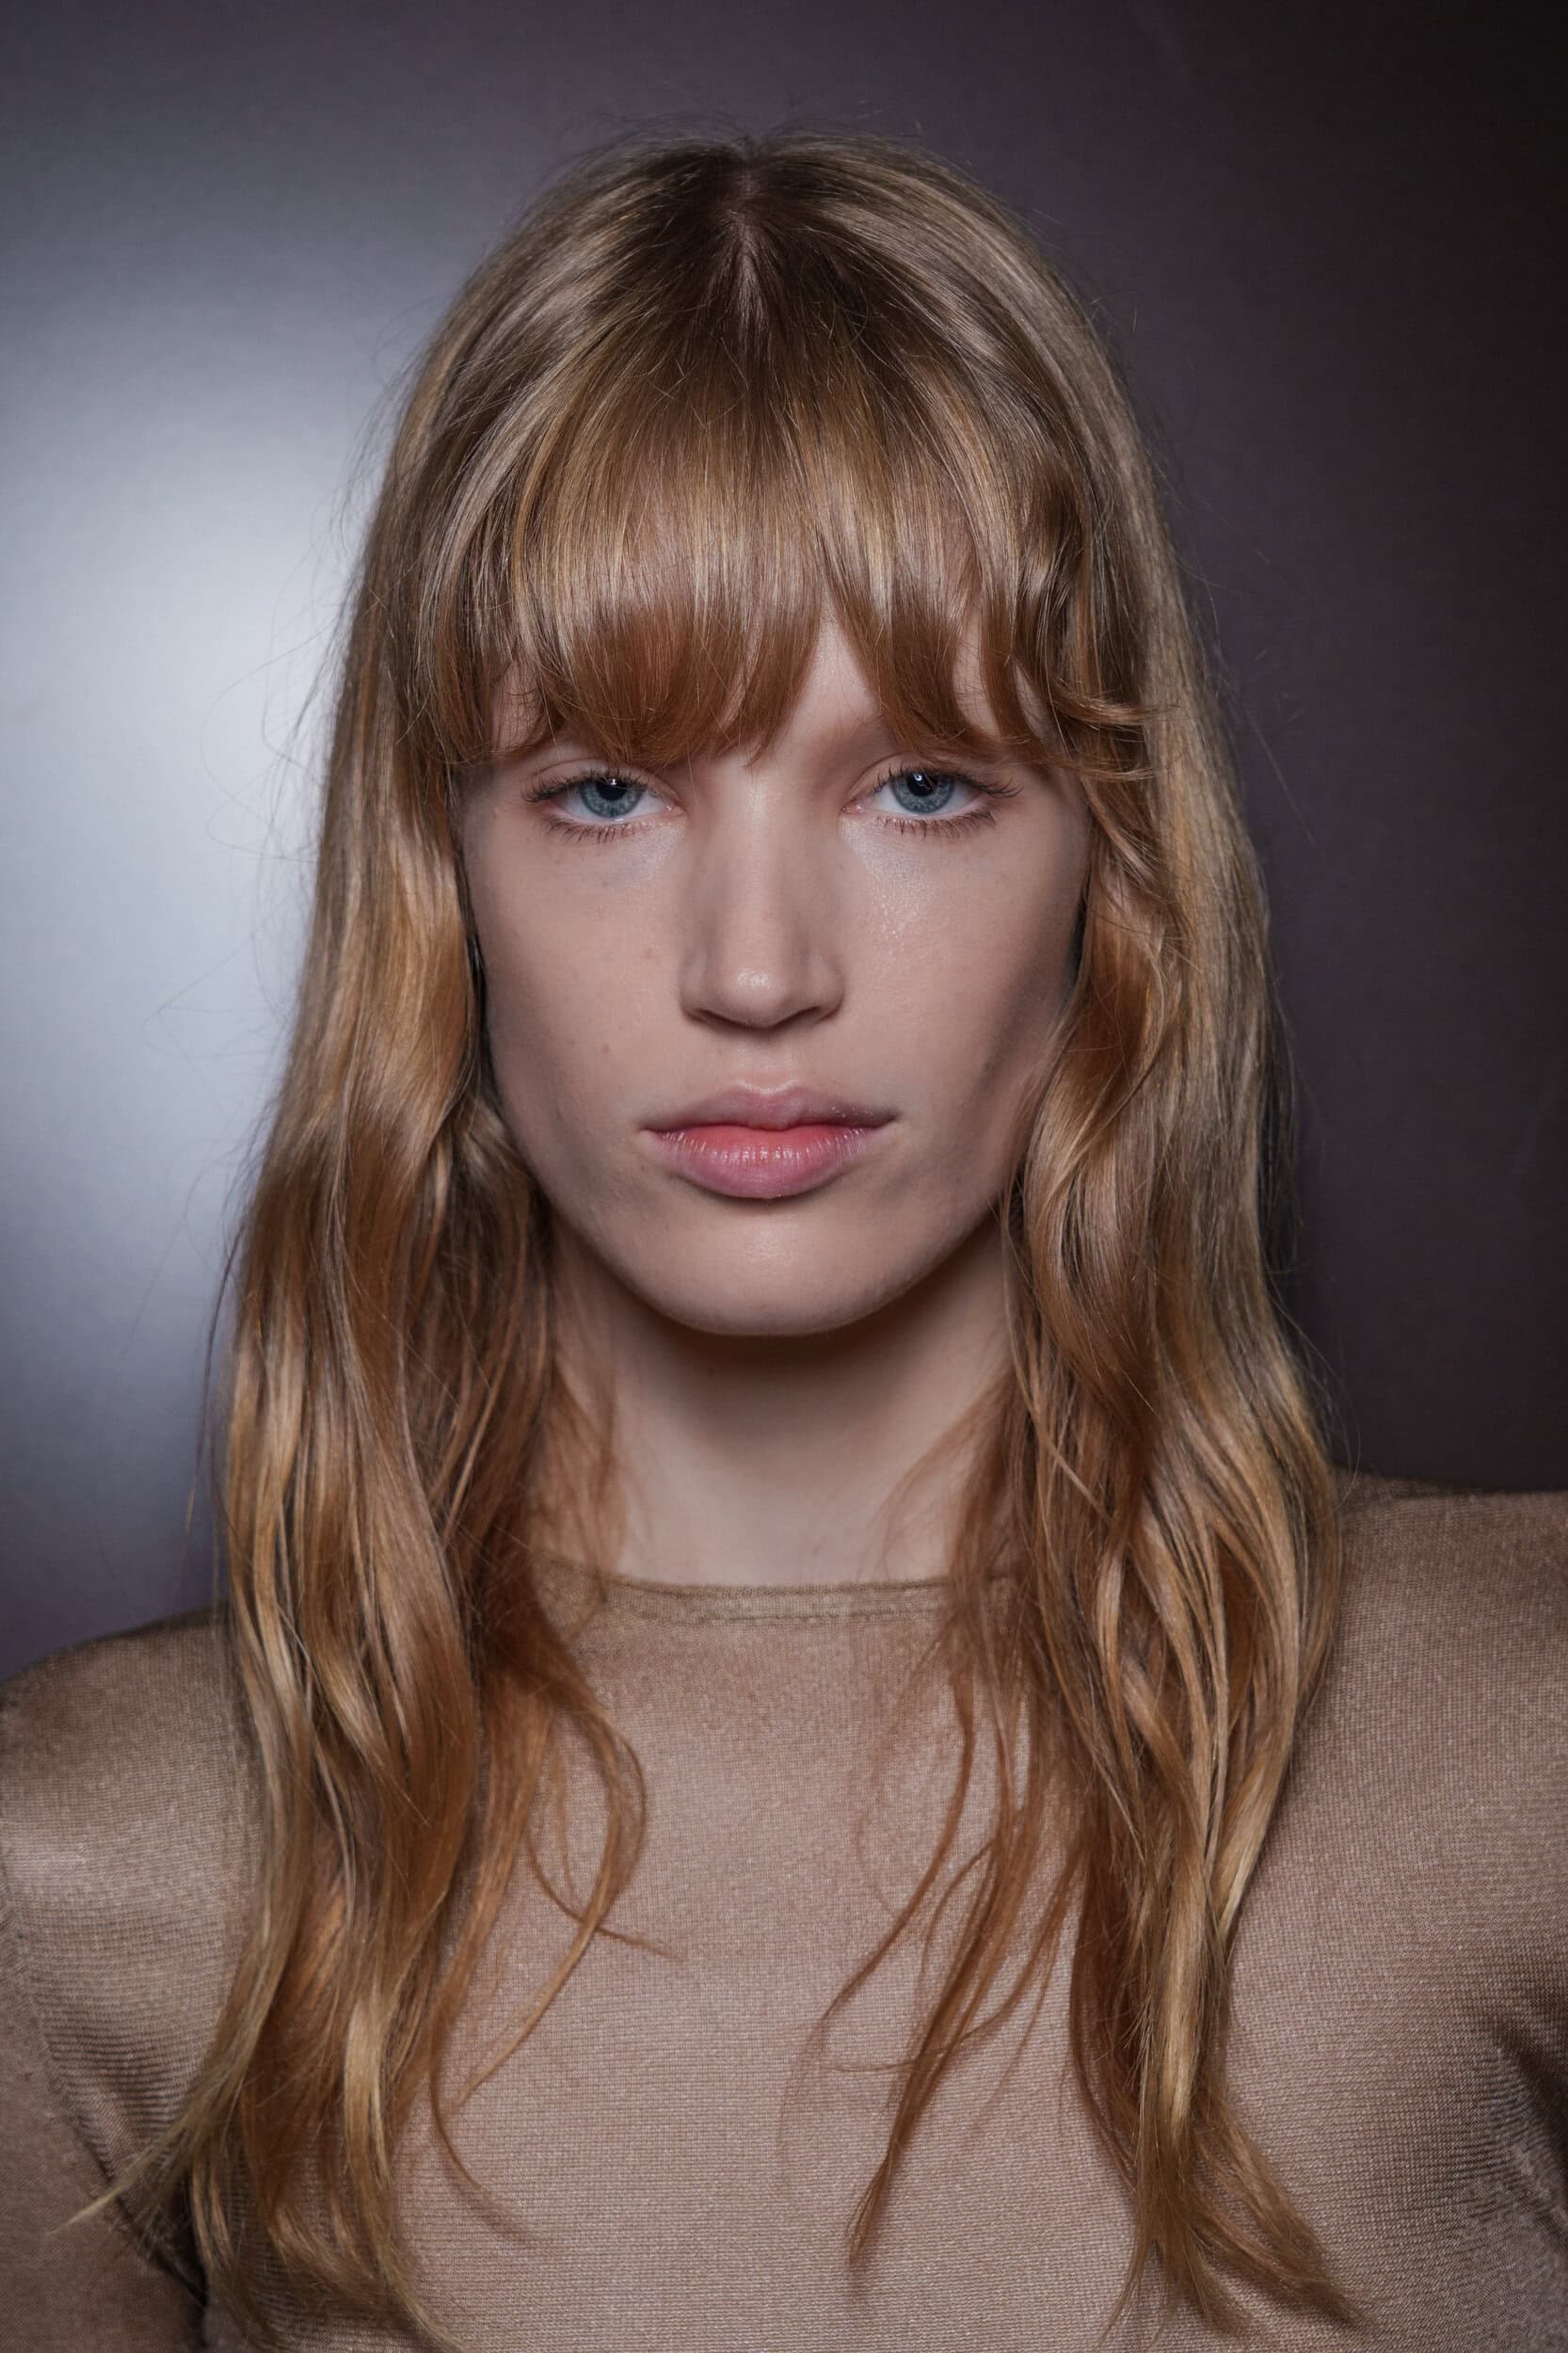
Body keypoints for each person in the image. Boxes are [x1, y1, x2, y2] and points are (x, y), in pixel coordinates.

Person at [1, 128, 1563, 2353]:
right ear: (440, 874)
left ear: (1110, 871)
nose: (755, 969)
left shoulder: (1522, 1737)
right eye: (605, 789)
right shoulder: (86, 1861)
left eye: (919, 782)